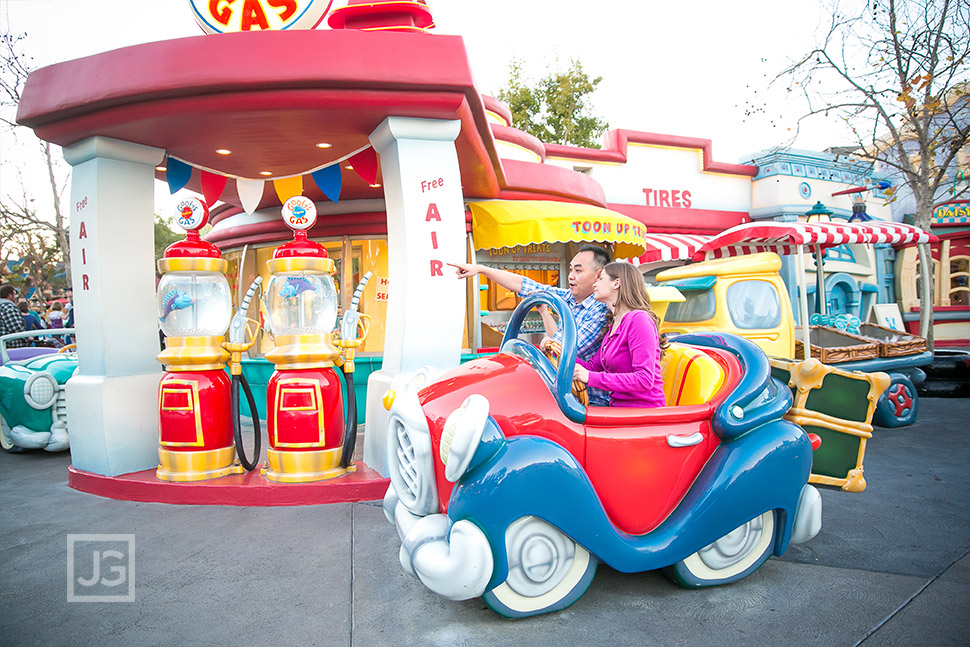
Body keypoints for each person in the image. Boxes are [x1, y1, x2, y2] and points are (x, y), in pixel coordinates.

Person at [449, 244, 612, 405]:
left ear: (598, 276)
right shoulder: (571, 298)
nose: (571, 276)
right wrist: (481, 269)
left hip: (586, 401)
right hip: (561, 390)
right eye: (570, 270)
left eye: (578, 271)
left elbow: (562, 348)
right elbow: (525, 285)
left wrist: (544, 319)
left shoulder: (600, 310)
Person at [572, 262, 666, 408]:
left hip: (642, 413)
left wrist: (590, 377)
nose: (594, 285)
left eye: (600, 279)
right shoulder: (613, 325)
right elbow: (591, 367)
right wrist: (557, 352)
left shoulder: (638, 319)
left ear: (616, 283)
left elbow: (644, 379)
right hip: (618, 408)